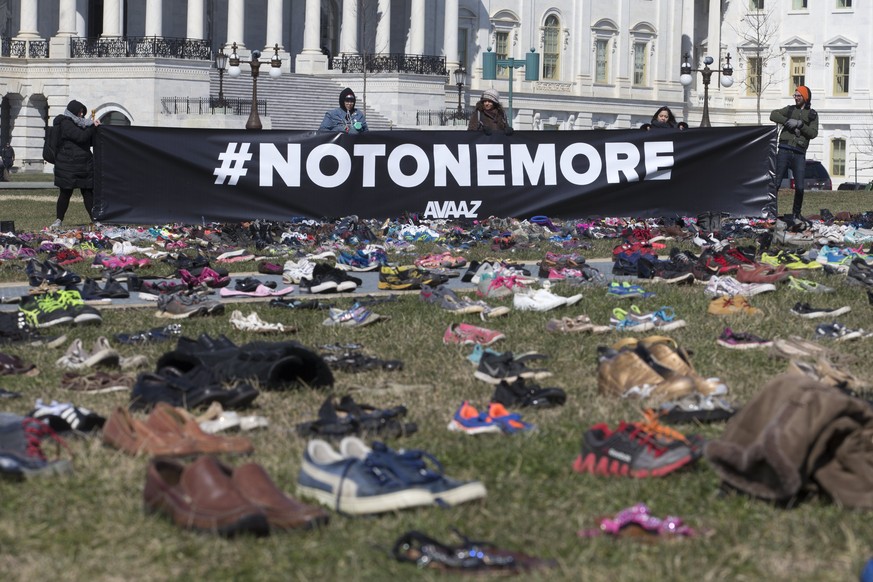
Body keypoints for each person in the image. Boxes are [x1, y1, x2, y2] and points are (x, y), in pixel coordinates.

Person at [765, 85, 818, 219]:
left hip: (799, 153)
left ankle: (796, 214)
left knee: (799, 187)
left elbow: (813, 133)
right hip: (784, 150)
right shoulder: (789, 110)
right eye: (795, 95)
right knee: (775, 184)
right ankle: (771, 212)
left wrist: (801, 125)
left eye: (799, 95)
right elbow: (773, 114)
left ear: (805, 97)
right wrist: (787, 121)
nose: (796, 98)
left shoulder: (812, 114)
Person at [51, 99, 100, 229]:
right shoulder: (65, 123)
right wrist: (92, 127)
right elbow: (80, 137)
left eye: (83, 113)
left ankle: (95, 219)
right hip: (68, 165)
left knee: (88, 193)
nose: (82, 115)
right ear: (73, 112)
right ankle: (58, 219)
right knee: (65, 193)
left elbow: (87, 140)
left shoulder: (82, 124)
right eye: (80, 112)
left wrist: (93, 128)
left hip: (84, 164)